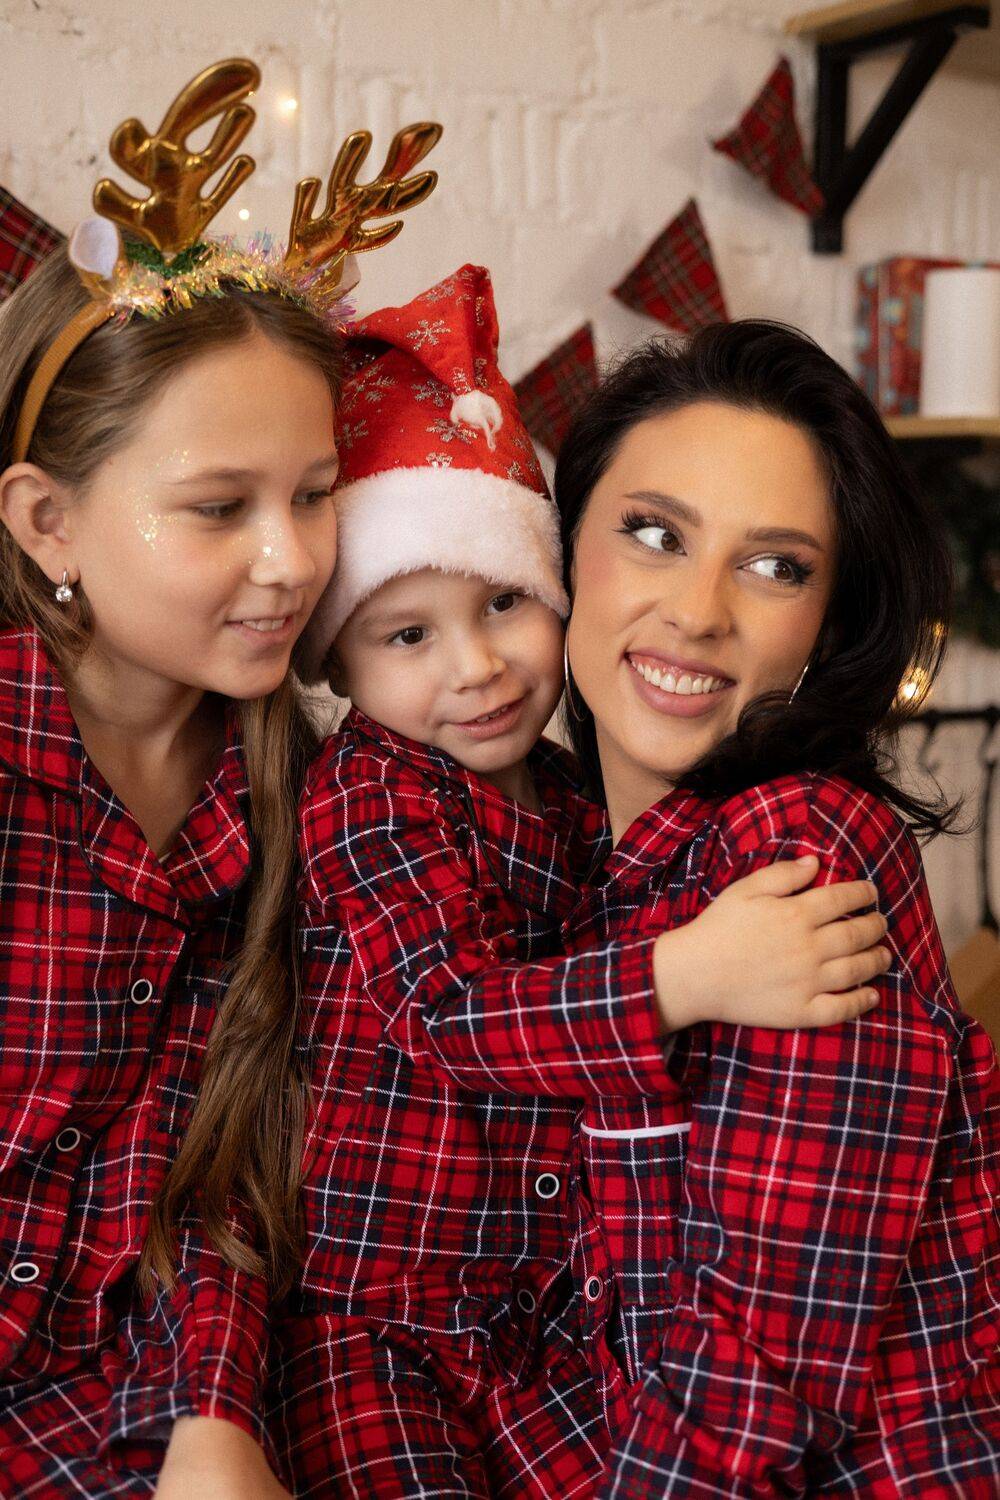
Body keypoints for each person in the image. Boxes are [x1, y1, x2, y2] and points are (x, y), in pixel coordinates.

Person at [268, 268, 890, 1497]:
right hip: (379, 1320)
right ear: (337, 663)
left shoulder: (583, 805)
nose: (478, 667)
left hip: (540, 1315)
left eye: (506, 603)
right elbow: (445, 1014)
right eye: (408, 634)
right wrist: (682, 977)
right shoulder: (370, 792)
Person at [0, 57, 436, 1498]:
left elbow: (233, 1162)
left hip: (124, 1394)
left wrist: (212, 1414)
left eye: (313, 495)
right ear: (48, 522)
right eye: (217, 508)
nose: (290, 560)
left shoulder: (306, 799)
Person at [547, 322, 1000, 1495]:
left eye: (775, 567)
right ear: (564, 551)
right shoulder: (573, 859)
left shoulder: (800, 850)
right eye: (655, 534)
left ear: (828, 626)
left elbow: (746, 1397)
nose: (698, 611)